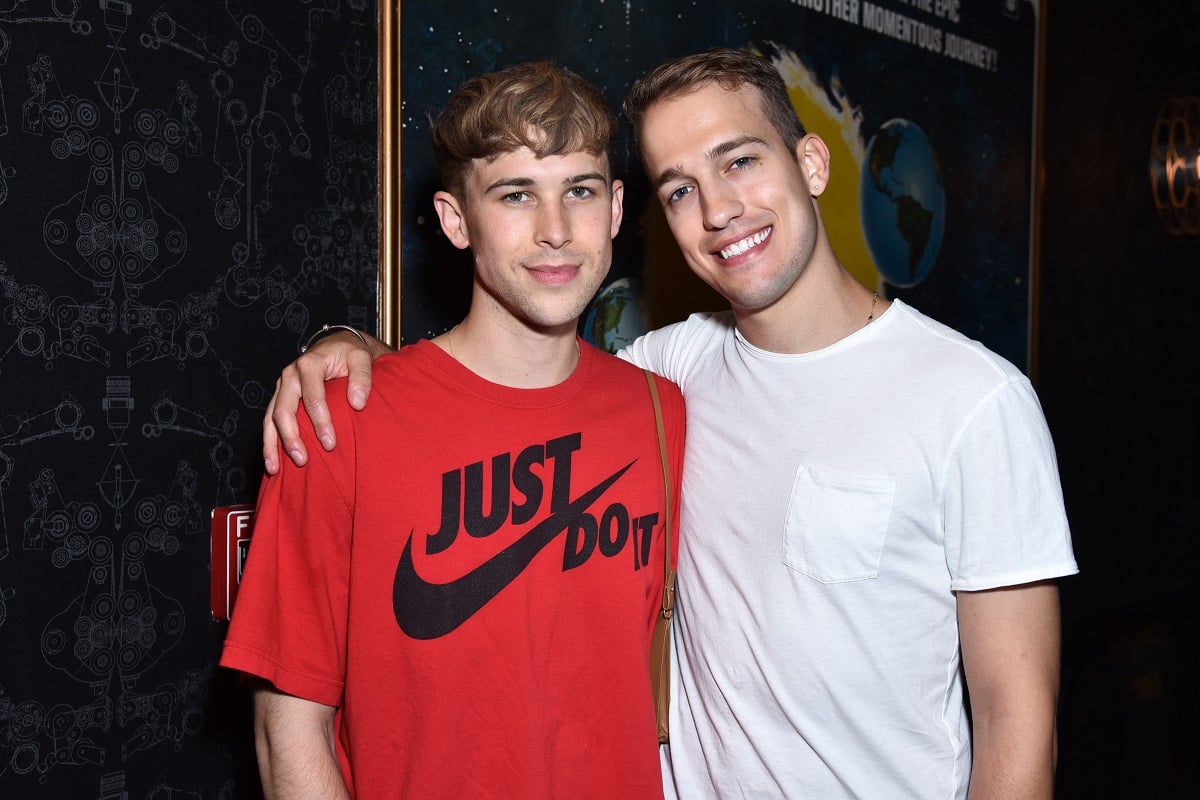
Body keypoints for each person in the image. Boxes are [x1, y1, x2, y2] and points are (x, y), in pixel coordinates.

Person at [264, 48, 1078, 799]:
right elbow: (493, 376)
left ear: (812, 161)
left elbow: (1018, 718)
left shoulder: (973, 400)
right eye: (681, 189)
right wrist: (345, 351)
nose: (719, 210)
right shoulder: (673, 373)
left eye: (740, 162)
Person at [221, 61, 684, 799]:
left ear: (618, 207)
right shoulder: (339, 422)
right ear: (455, 219)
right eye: (516, 195)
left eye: (581, 191)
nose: (556, 231)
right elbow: (289, 730)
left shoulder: (665, 415)